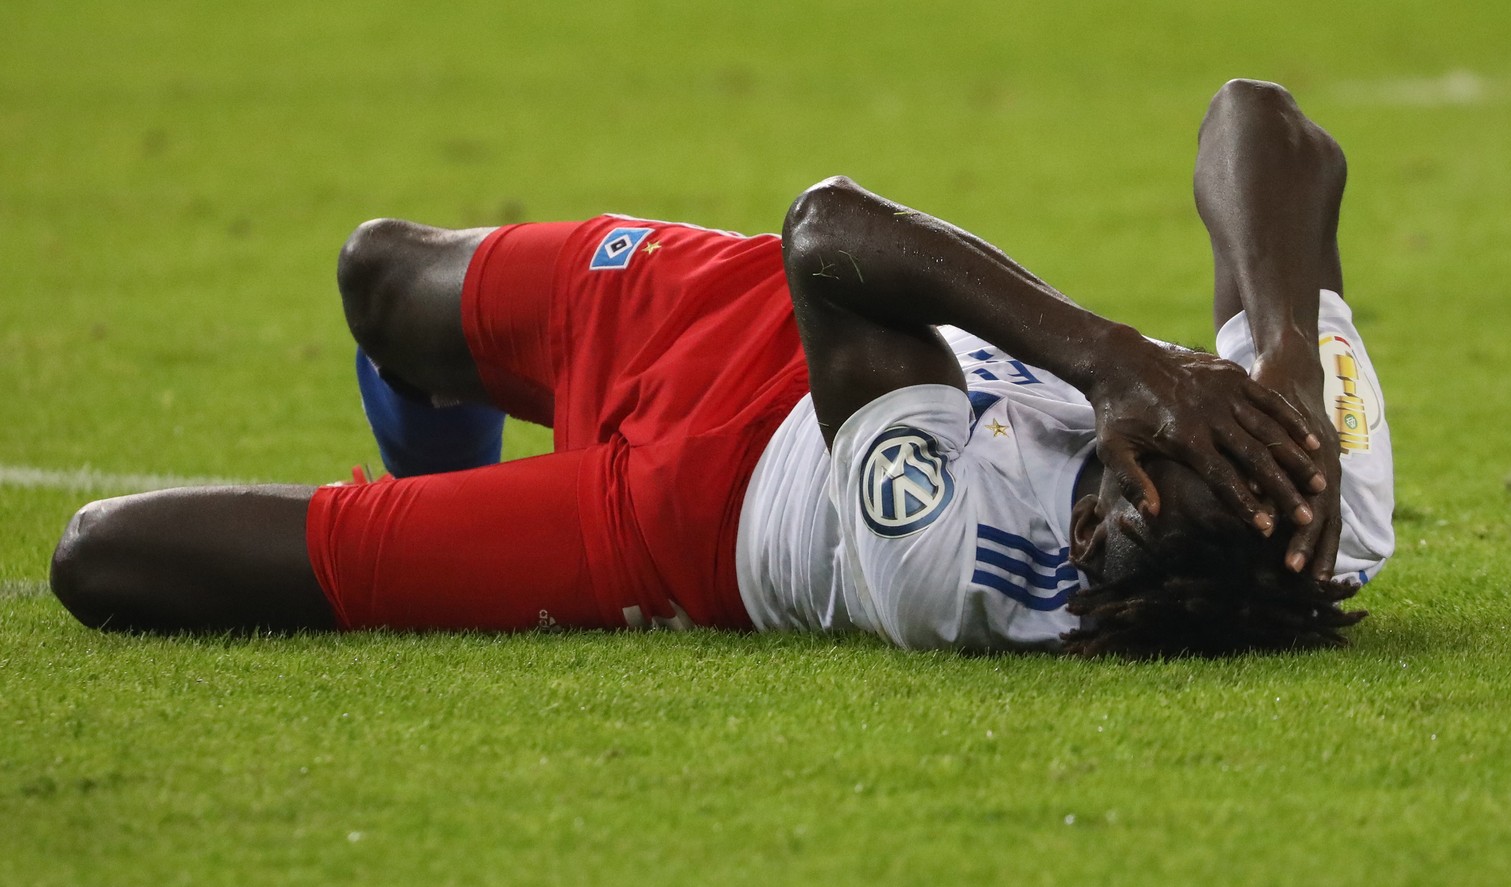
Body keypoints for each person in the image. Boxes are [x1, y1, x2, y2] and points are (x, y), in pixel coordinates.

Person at [48, 79, 1394, 657]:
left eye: (1102, 501)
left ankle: (435, 490)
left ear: (1097, 546)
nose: (1098, 475)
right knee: (379, 273)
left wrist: (1110, 361)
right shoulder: (1326, 493)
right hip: (744, 320)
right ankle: (435, 411)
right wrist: (1277, 339)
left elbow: (835, 236)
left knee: (107, 556)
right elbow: (1264, 124)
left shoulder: (951, 565)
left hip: (673, 517)